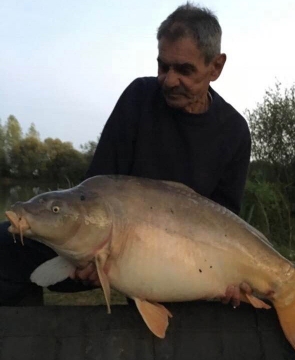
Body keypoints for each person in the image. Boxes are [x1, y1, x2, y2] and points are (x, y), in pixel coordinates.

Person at [0, 3, 250, 306]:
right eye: (163, 66)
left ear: (216, 67)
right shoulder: (138, 99)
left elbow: (226, 221)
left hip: (183, 261)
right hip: (112, 242)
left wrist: (234, 280)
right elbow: (94, 190)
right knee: (5, 246)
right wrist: (92, 253)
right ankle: (26, 336)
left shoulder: (234, 132)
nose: (169, 80)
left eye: (184, 70)